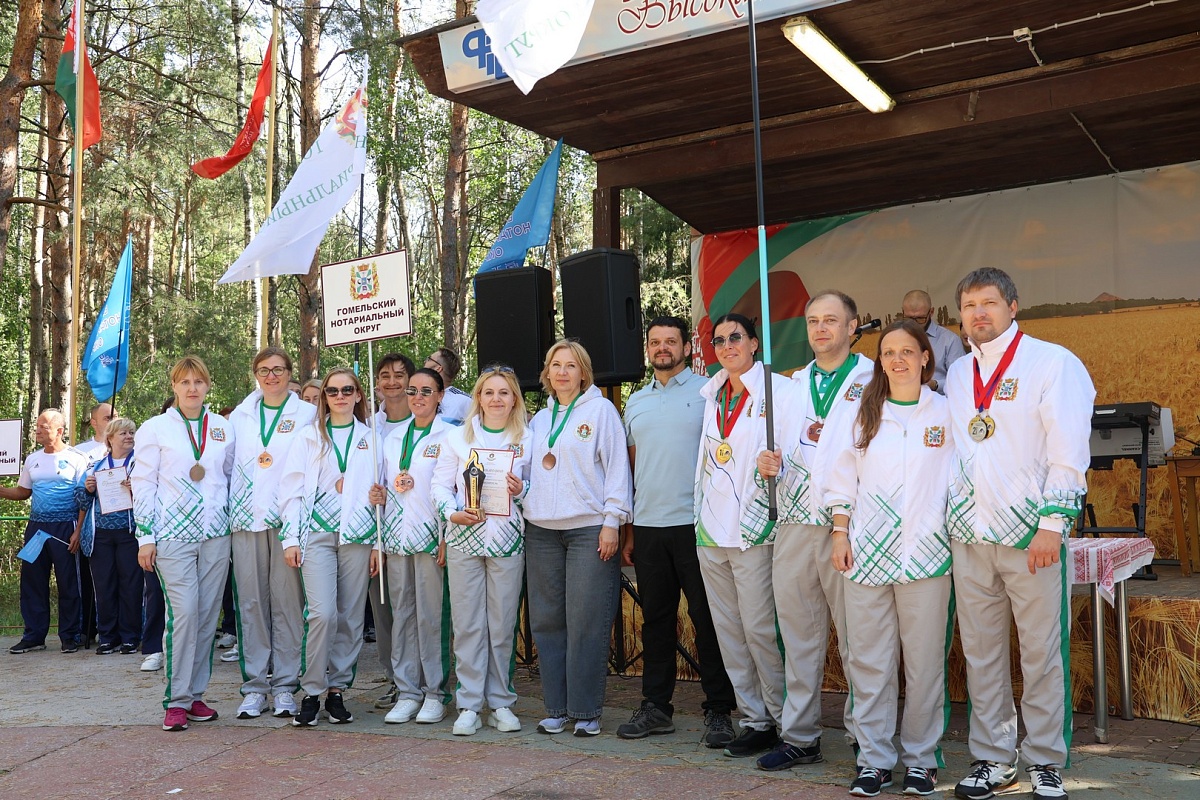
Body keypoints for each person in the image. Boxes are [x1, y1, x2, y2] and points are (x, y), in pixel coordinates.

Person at [946, 268, 1093, 800]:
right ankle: (993, 758)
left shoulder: (1052, 362)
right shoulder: (958, 373)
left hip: (1032, 538)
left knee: (1040, 654)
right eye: (969, 305)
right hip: (971, 538)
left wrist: (1052, 524)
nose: (978, 313)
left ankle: (1046, 761)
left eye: (988, 302)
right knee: (982, 654)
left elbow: (1069, 451)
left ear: (1013, 306)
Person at [820, 319, 955, 798]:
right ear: (880, 361)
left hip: (927, 557)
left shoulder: (946, 412)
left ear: (925, 357)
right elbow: (841, 478)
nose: (898, 359)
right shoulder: (862, 413)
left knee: (923, 665)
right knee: (870, 664)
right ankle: (873, 760)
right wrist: (840, 534)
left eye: (907, 351)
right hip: (866, 557)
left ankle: (921, 761)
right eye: (889, 352)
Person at [753, 290, 873, 770]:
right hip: (795, 523)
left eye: (831, 320)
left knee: (857, 637)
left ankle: (867, 740)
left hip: (850, 528)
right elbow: (780, 449)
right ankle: (801, 737)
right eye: (813, 321)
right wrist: (770, 463)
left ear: (852, 325)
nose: (820, 329)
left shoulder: (873, 379)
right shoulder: (791, 385)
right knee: (798, 636)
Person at [617, 316, 736, 748]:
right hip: (649, 527)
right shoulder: (635, 402)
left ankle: (720, 711)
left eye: (671, 341)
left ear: (687, 348)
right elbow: (633, 470)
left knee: (707, 621)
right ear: (648, 349)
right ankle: (656, 708)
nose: (662, 348)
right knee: (656, 622)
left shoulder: (709, 393)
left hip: (697, 526)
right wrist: (630, 532)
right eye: (655, 342)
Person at [694, 313, 803, 758]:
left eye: (735, 337)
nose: (727, 346)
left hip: (754, 531)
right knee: (730, 633)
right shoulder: (712, 393)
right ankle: (755, 720)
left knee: (760, 630)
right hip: (710, 531)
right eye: (719, 340)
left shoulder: (780, 391)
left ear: (755, 343)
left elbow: (797, 452)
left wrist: (779, 464)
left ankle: (783, 721)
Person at [525, 340, 633, 737]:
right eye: (556, 365)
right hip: (541, 531)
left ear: (583, 373)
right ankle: (556, 708)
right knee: (547, 621)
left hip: (589, 529)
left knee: (586, 620)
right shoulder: (539, 420)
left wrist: (612, 521)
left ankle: (586, 710)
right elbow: (527, 472)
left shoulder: (601, 411)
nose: (562, 372)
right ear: (547, 372)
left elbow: (618, 469)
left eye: (571, 365)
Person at [132, 356, 236, 731]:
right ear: (174, 386)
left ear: (208, 385)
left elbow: (228, 477)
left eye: (199, 381)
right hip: (171, 535)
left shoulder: (222, 427)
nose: (192, 388)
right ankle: (175, 699)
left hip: (216, 534)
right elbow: (143, 483)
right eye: (185, 382)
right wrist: (145, 537)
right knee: (185, 613)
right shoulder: (155, 428)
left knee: (207, 616)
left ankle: (195, 695)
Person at [432, 364, 532, 735]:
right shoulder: (457, 438)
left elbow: (537, 489)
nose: (496, 399)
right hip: (464, 540)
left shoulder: (528, 439)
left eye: (504, 392)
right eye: (489, 392)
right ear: (478, 397)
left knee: (502, 626)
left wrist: (521, 490)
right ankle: (469, 705)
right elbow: (440, 486)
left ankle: (501, 703)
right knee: (468, 625)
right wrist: (451, 513)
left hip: (507, 541)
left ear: (514, 399)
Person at [280, 368, 384, 727]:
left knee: (350, 616)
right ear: (324, 397)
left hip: (358, 536)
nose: (340, 396)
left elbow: (381, 491)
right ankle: (311, 690)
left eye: (347, 390)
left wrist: (378, 541)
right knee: (322, 614)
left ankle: (337, 690)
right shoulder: (308, 436)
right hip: (316, 534)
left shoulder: (371, 438)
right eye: (333, 391)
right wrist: (290, 538)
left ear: (358, 395)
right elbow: (291, 489)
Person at [227, 346, 317, 719]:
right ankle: (254, 687)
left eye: (278, 369)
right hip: (246, 520)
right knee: (250, 604)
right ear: (256, 374)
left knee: (287, 605)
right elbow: (227, 465)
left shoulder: (308, 414)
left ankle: (284, 686)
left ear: (289, 373)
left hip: (287, 523)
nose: (271, 376)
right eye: (264, 370)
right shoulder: (240, 416)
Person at [375, 368, 453, 726]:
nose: (417, 397)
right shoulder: (393, 438)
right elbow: (385, 484)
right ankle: (408, 692)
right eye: (412, 391)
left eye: (426, 391)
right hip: (396, 538)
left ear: (440, 395)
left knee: (430, 617)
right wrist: (379, 493)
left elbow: (452, 489)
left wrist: (447, 537)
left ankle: (435, 693)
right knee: (402, 615)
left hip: (430, 538)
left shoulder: (450, 435)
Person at [2, 409, 89, 654]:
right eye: (37, 426)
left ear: (59, 431)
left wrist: (78, 530)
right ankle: (34, 636)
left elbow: (84, 497)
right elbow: (23, 492)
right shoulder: (32, 459)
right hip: (36, 528)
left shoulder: (77, 458)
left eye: (44, 426)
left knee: (68, 582)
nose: (37, 430)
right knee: (32, 581)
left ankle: (70, 636)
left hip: (66, 526)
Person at [367, 351, 416, 708]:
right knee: (384, 608)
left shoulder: (426, 421)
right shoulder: (369, 427)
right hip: (377, 532)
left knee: (416, 609)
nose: (392, 381)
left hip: (415, 531)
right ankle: (395, 678)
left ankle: (423, 679)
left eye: (400, 375)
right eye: (385, 375)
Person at [75, 417, 141, 655]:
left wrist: (137, 488)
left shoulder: (140, 464)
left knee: (131, 585)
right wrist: (87, 489)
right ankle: (107, 637)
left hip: (130, 533)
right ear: (110, 439)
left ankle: (130, 637)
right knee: (104, 586)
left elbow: (153, 495)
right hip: (101, 535)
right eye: (123, 433)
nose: (129, 437)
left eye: (131, 433)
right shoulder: (96, 465)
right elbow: (81, 501)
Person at [901, 290, 964, 394]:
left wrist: (935, 385)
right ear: (903, 312)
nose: (914, 324)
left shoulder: (950, 340)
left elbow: (961, 380)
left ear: (931, 312)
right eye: (909, 318)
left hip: (939, 399)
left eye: (920, 318)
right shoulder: (896, 338)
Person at [425, 347, 471, 424]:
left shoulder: (465, 401)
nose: (425, 361)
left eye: (429, 359)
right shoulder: (416, 397)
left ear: (438, 368)